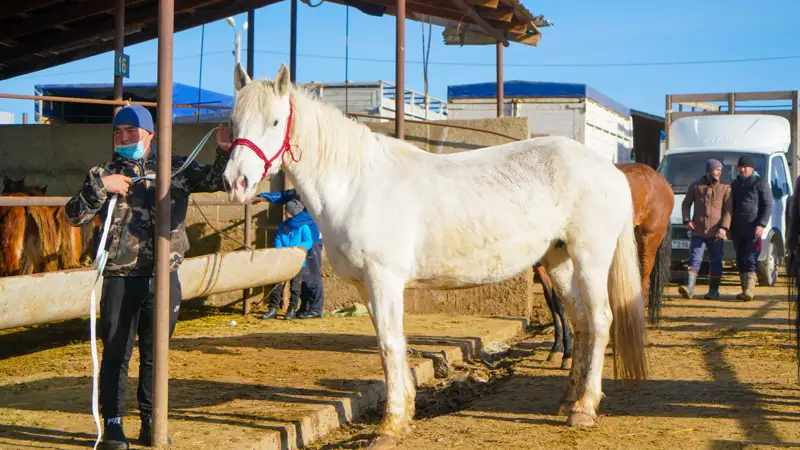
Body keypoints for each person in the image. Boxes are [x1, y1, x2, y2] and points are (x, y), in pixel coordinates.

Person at [65, 104, 232, 449]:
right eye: (118, 133)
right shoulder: (103, 172)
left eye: (131, 132)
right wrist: (101, 187)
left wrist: (225, 150)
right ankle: (113, 424)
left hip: (163, 276)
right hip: (119, 277)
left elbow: (218, 180)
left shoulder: (176, 167)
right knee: (116, 352)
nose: (124, 138)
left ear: (150, 135)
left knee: (156, 353)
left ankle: (151, 419)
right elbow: (73, 216)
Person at [255, 188, 324, 319]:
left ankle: (315, 308)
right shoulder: (299, 190)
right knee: (301, 278)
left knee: (312, 274)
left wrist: (290, 222)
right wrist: (263, 196)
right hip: (295, 240)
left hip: (311, 238)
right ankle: (303, 308)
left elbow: (307, 215)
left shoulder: (314, 192)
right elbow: (283, 195)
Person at [678, 159, 732, 300]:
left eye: (720, 170)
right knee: (694, 259)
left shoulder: (725, 188)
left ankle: (713, 291)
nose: (719, 172)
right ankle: (689, 289)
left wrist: (724, 228)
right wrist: (687, 221)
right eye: (716, 169)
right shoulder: (696, 186)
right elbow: (685, 205)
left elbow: (728, 211)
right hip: (698, 231)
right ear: (709, 170)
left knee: (716, 261)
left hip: (716, 233)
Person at [730, 155, 772, 301]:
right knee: (740, 258)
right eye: (740, 167)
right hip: (737, 228)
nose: (742, 169)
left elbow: (767, 205)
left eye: (745, 167)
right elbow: (730, 207)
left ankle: (749, 289)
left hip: (754, 227)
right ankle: (744, 290)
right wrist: (729, 228)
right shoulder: (734, 185)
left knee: (751, 257)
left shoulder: (760, 183)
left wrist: (761, 224)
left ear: (752, 168)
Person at [262, 199, 313, 320]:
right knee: (278, 285)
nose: (285, 214)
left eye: (288, 212)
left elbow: (308, 241)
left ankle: (291, 310)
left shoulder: (303, 227)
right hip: (283, 260)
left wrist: (297, 250)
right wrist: (282, 251)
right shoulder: (283, 226)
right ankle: (273, 308)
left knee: (295, 287)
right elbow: (278, 239)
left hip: (298, 261)